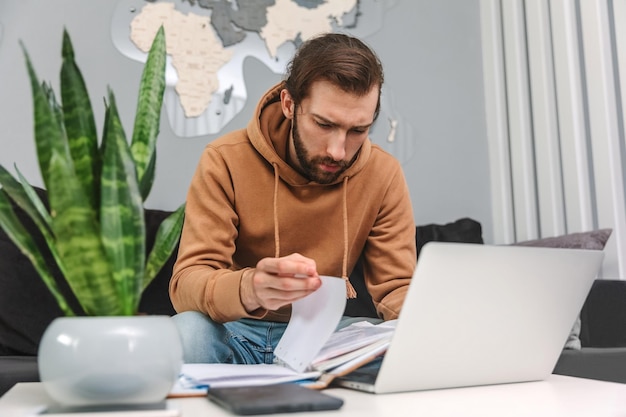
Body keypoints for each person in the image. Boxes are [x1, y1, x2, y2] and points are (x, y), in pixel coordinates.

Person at [169, 32, 416, 364]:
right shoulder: (224, 159)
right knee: (185, 334)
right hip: (234, 331)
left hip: (324, 339)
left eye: (358, 130)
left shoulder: (383, 174)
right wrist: (250, 287)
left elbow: (398, 288)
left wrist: (435, 331)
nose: (338, 150)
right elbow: (186, 283)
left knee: (400, 347)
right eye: (324, 124)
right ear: (289, 104)